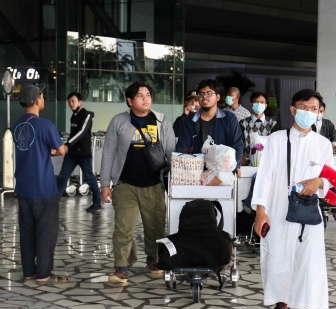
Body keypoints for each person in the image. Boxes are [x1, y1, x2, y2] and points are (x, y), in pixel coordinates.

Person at [252, 89, 334, 309]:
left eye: (313, 108)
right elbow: (264, 175)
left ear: (319, 112)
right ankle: (282, 302)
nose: (308, 112)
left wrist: (319, 181)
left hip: (308, 215)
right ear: (292, 109)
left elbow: (332, 179)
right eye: (303, 106)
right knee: (278, 261)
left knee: (309, 268)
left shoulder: (322, 144)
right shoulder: (276, 140)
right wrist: (260, 210)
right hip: (277, 210)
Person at [100, 82, 176, 283]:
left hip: (153, 184)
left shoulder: (162, 121)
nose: (145, 98)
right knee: (123, 226)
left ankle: (154, 259)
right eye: (140, 95)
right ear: (130, 100)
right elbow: (108, 153)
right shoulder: (119, 121)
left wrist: (172, 183)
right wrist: (105, 184)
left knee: (155, 226)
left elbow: (171, 153)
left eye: (148, 94)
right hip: (125, 184)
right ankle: (121, 266)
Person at [12, 84, 68, 283]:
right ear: (37, 100)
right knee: (46, 232)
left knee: (27, 232)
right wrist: (57, 149)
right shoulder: (45, 125)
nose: (43, 99)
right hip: (44, 188)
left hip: (23, 188)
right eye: (42, 96)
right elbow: (61, 149)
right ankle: (43, 274)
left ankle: (29, 272)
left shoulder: (17, 124)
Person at [176, 79, 244, 176]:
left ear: (217, 97)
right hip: (195, 175)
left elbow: (237, 145)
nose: (204, 97)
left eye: (209, 93)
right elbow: (182, 149)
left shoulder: (229, 119)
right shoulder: (189, 121)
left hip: (223, 174)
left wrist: (236, 166)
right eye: (201, 94)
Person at [56, 92, 102, 212]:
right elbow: (73, 134)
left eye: (73, 101)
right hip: (72, 154)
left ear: (80, 102)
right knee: (63, 177)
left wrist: (66, 144)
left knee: (90, 178)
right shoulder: (73, 116)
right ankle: (53, 202)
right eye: (69, 102)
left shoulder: (86, 115)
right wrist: (68, 146)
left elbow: (81, 132)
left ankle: (97, 203)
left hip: (84, 155)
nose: (71, 104)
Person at [239, 91, 278, 165]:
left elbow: (275, 144)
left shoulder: (273, 124)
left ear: (266, 105)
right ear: (251, 104)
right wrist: (241, 156)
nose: (259, 104)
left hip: (267, 163)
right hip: (247, 163)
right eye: (256, 102)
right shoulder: (242, 123)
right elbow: (239, 143)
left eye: (262, 102)